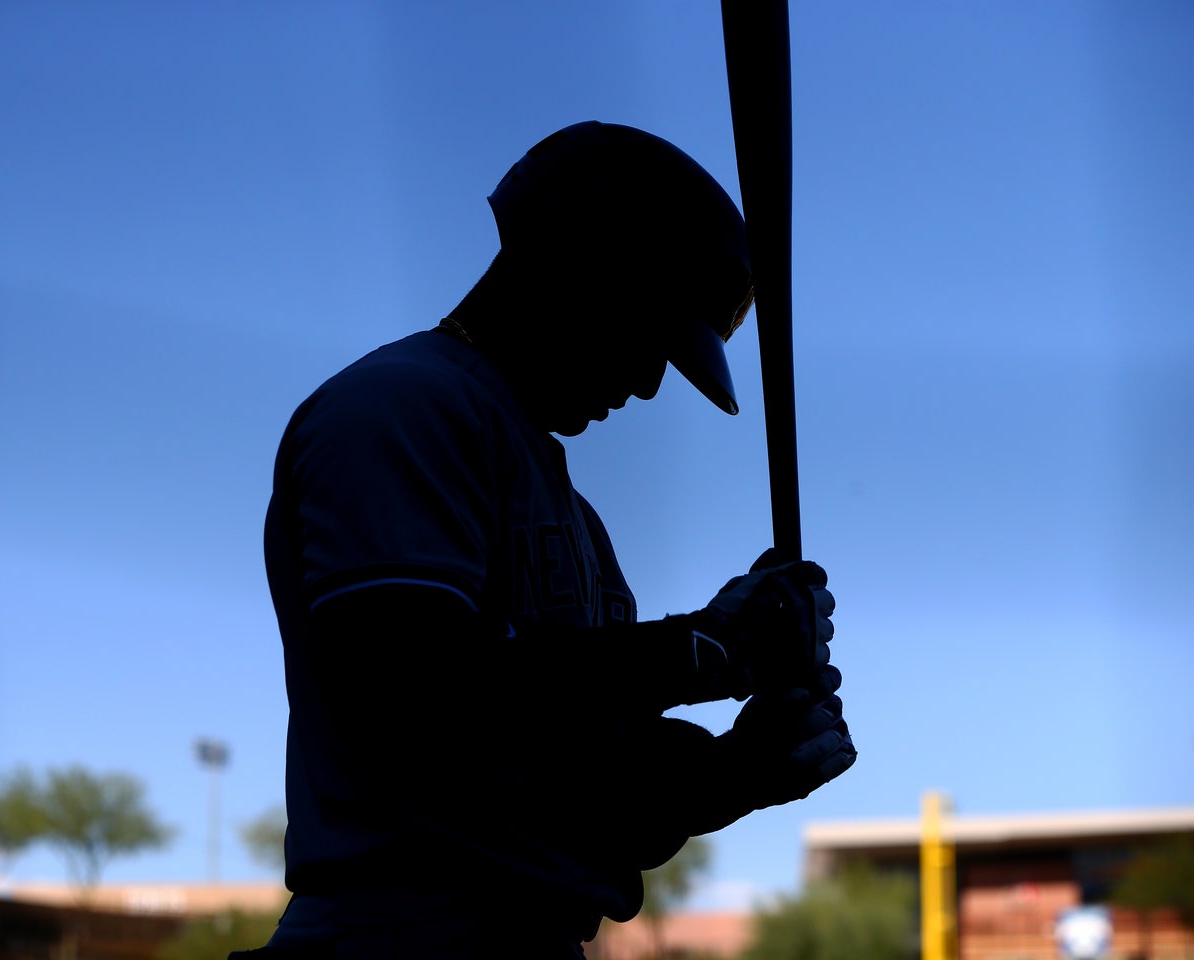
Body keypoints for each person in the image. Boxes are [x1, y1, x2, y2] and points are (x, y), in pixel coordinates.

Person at [255, 121, 855, 959]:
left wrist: (739, 770)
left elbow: (587, 788)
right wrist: (702, 651)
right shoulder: (400, 405)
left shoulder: (578, 519)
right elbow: (413, 691)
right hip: (394, 935)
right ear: (575, 269)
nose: (649, 382)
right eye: (647, 333)